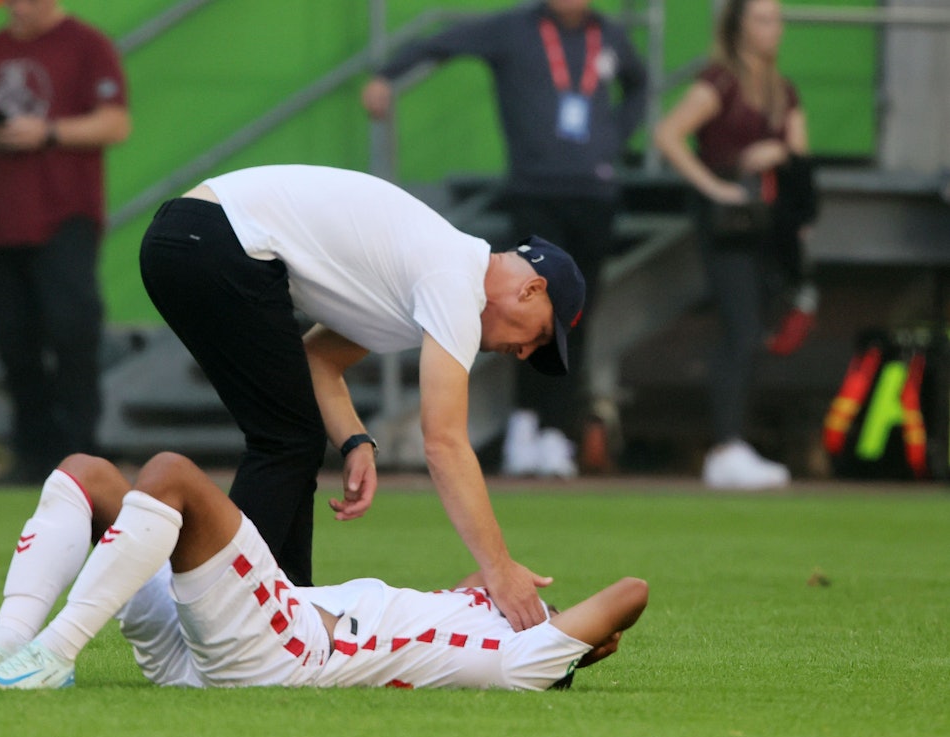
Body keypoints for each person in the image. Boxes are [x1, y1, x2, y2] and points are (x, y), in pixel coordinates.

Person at [139, 164, 586, 632]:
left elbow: (318, 360)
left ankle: (286, 613)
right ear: (531, 289)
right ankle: (225, 618)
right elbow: (444, 443)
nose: (525, 353)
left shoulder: (428, 273)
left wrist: (354, 440)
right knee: (287, 439)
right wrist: (499, 569)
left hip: (190, 237)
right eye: (539, 336)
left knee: (292, 438)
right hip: (212, 240)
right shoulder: (455, 280)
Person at [0, 451, 649, 691]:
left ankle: (51, 653)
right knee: (87, 476)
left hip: (285, 650)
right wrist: (487, 587)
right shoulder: (483, 621)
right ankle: (9, 641)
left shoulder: (530, 661)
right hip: (214, 646)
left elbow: (630, 593)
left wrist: (576, 632)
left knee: (170, 475)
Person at [362, 0, 648, 477]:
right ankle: (525, 425)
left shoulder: (611, 36)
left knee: (575, 318)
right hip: (535, 192)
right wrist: (385, 74)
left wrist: (612, 138)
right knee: (522, 314)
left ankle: (557, 431)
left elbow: (638, 85)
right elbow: (442, 41)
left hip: (595, 195)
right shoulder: (514, 30)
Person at [0, 0, 131, 486]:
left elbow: (115, 122)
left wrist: (47, 132)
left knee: (73, 332)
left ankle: (82, 456)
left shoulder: (87, 44)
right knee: (14, 343)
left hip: (62, 215)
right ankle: (32, 454)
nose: (17, 7)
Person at [653, 0, 816, 490]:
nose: (774, 29)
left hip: (767, 227)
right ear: (739, 26)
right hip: (728, 223)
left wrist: (781, 158)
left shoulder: (781, 91)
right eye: (763, 19)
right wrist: (715, 185)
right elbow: (668, 134)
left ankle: (734, 443)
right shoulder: (720, 82)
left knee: (756, 329)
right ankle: (726, 446)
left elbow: (801, 158)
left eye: (778, 19)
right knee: (740, 328)